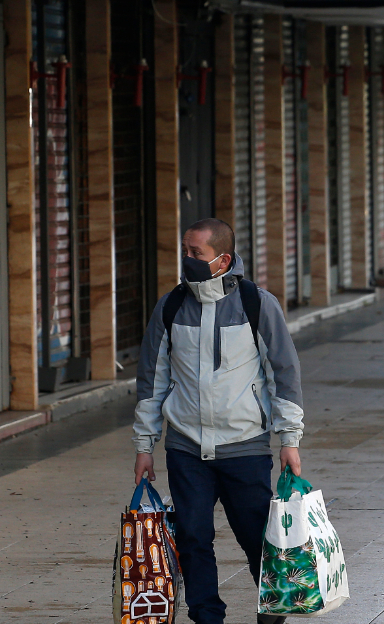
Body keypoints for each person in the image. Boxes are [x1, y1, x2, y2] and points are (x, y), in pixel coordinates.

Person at [133, 218, 304, 624]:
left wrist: (289, 439)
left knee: (255, 540)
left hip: (243, 446)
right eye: (185, 251)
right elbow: (151, 380)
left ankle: (272, 610)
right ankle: (206, 616)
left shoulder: (256, 303)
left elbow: (284, 372)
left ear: (222, 259)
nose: (187, 259)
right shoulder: (170, 306)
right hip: (186, 448)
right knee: (192, 538)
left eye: (197, 253)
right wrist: (144, 446)